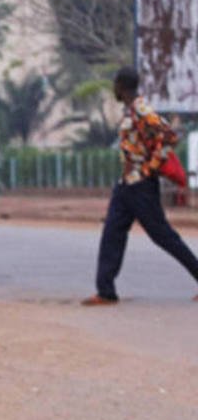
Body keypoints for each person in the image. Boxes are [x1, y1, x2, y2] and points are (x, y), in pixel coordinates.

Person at [82, 67, 198, 306]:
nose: (113, 88)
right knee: (112, 233)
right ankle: (106, 291)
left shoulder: (141, 109)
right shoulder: (131, 111)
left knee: (163, 236)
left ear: (121, 86)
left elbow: (169, 136)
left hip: (141, 186)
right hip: (126, 186)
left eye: (115, 84)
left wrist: (149, 168)